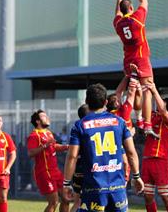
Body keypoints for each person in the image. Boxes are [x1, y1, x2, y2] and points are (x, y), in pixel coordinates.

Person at [62, 83, 144, 212]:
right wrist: (137, 176)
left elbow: (72, 156)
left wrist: (66, 183)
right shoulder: (119, 122)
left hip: (94, 188)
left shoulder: (79, 125)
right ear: (105, 102)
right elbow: (131, 152)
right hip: (117, 189)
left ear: (86, 101)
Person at [113, 0, 159, 139]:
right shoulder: (137, 18)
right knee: (147, 91)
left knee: (135, 90)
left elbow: (118, 13)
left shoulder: (118, 24)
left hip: (128, 61)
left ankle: (138, 118)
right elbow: (144, 0)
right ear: (131, 7)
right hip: (141, 59)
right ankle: (147, 124)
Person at [141, 83, 168, 212]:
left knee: (164, 195)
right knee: (148, 196)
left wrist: (154, 89)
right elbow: (142, 107)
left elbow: (163, 110)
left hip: (160, 159)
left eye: (161, 102)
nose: (158, 104)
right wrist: (144, 89)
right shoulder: (152, 116)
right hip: (147, 159)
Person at [27, 110, 70, 212]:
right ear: (37, 121)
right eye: (44, 116)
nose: (47, 118)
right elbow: (30, 153)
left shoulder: (48, 133)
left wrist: (66, 147)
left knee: (66, 198)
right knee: (54, 202)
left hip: (55, 171)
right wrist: (45, 145)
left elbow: (53, 146)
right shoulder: (34, 135)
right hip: (44, 172)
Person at [70, 104, 89, 212]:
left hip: (78, 169)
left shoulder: (77, 127)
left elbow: (73, 154)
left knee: (77, 202)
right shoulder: (91, 127)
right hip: (90, 169)